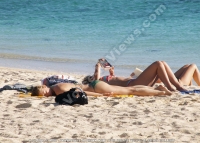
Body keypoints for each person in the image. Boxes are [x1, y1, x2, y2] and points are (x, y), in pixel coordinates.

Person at [95, 59, 188, 91]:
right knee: (158, 64)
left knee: (162, 63)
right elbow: (96, 80)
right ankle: (170, 87)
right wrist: (98, 66)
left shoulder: (106, 79)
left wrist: (111, 73)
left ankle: (177, 86)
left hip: (134, 81)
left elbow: (116, 81)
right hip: (133, 84)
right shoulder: (98, 81)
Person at [31, 79, 172, 97]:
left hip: (97, 89)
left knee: (131, 91)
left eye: (43, 93)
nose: (45, 96)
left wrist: (99, 96)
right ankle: (157, 87)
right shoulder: (55, 85)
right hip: (96, 85)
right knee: (132, 88)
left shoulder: (58, 89)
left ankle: (160, 92)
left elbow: (80, 92)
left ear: (44, 88)